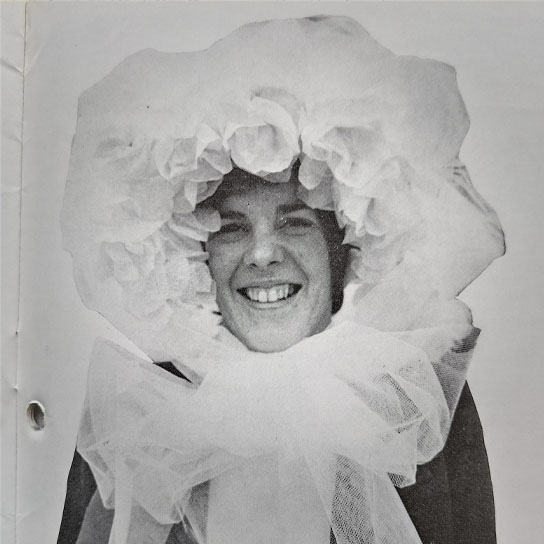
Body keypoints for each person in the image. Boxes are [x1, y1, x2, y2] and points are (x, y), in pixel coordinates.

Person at [58, 16, 504, 544]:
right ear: (197, 252)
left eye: (294, 222)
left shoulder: (406, 400)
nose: (263, 252)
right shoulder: (144, 411)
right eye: (231, 226)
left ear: (340, 250)